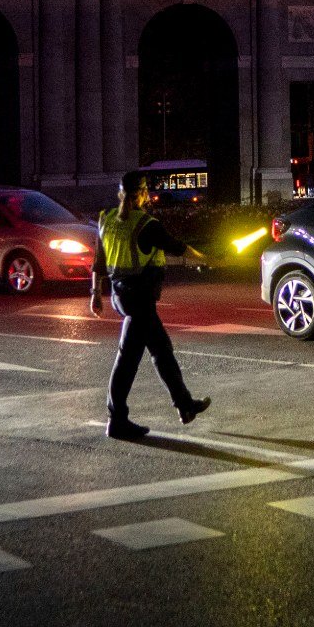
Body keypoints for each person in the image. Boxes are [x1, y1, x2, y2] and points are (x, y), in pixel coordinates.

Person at [89, 170, 213, 440]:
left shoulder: (106, 219)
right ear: (143, 193)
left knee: (161, 351)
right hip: (140, 299)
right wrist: (207, 258)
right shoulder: (146, 224)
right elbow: (178, 247)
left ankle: (185, 405)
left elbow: (99, 261)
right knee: (127, 360)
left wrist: (95, 294)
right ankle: (117, 420)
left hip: (120, 295)